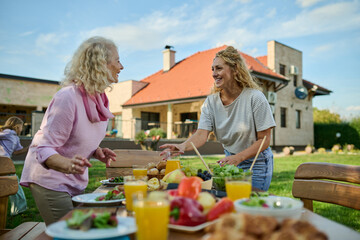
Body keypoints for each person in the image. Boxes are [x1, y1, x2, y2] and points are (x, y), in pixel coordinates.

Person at [20, 36, 123, 225]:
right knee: (74, 234)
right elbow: (43, 148)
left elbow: (78, 135)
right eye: (117, 60)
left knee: (84, 231)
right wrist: (68, 164)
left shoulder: (98, 99)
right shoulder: (67, 97)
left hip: (74, 178)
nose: (121, 66)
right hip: (50, 180)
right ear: (101, 63)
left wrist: (95, 151)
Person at [160, 46, 275, 191]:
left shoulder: (255, 98)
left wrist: (238, 158)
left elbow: (265, 140)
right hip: (229, 161)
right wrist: (182, 146)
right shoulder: (211, 102)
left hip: (256, 163)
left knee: (250, 206)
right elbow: (201, 134)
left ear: (235, 69)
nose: (214, 74)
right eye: (212, 69)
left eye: (219, 68)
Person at [0, 116, 29, 215]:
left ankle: (18, 209)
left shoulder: (16, 138)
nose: (22, 129)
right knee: (13, 184)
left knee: (12, 184)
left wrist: (29, 148)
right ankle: (18, 210)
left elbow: (17, 152)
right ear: (16, 126)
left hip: (6, 163)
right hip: (3, 162)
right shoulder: (8, 133)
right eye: (21, 126)